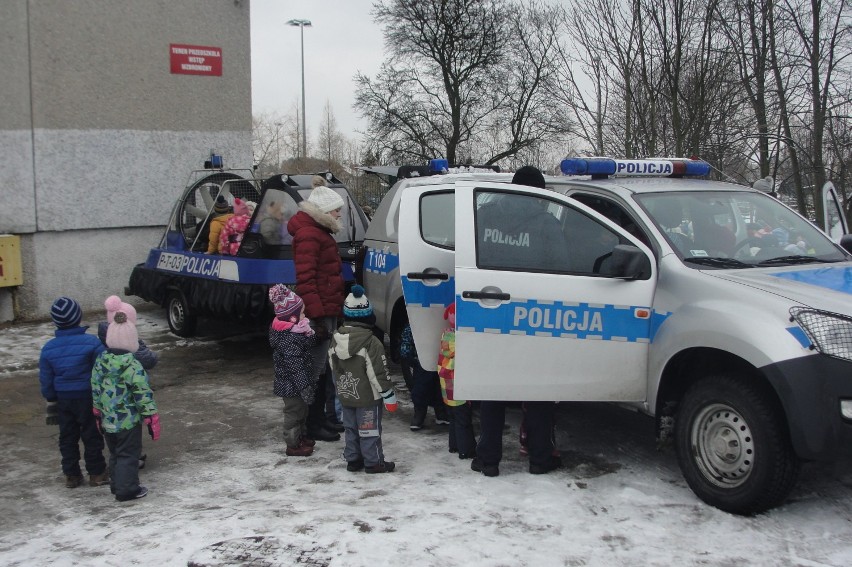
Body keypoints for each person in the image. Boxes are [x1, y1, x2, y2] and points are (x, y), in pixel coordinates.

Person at [471, 166, 562, 477]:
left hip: (490, 306)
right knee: (538, 388)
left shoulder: (484, 214)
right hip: (534, 312)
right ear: (537, 192)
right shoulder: (548, 222)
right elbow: (562, 269)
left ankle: (488, 460)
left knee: (492, 387)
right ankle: (539, 459)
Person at [287, 175, 347, 442]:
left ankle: (320, 419)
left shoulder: (318, 232)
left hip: (326, 310)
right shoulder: (310, 235)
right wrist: (318, 316)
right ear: (324, 212)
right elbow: (306, 279)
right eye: (336, 210)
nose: (339, 214)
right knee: (316, 370)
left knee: (323, 370)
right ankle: (313, 424)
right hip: (318, 314)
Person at [91, 302, 160, 502]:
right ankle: (127, 490)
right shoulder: (132, 365)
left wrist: (97, 410)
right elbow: (142, 392)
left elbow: (95, 387)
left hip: (107, 420)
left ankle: (116, 484)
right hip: (128, 420)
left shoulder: (100, 362)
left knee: (115, 453)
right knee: (129, 454)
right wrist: (151, 416)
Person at [39, 297, 109, 489]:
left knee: (67, 437)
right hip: (88, 397)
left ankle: (72, 475)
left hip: (63, 400)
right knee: (92, 435)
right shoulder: (92, 343)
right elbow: (102, 370)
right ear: (78, 317)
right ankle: (97, 473)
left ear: (56, 322)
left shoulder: (48, 348)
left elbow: (46, 379)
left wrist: (51, 398)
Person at [329, 285, 397, 473]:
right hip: (368, 399)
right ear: (369, 316)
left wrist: (339, 387)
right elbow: (378, 372)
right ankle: (373, 462)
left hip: (346, 394)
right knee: (369, 430)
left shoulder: (335, 338)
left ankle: (353, 459)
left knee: (350, 428)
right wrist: (388, 395)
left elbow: (333, 366)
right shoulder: (371, 342)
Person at [268, 284, 320, 457]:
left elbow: (306, 345)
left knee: (302, 412)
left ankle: (300, 437)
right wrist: (304, 387)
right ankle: (292, 444)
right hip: (292, 386)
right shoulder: (288, 339)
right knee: (294, 414)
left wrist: (311, 334)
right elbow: (295, 367)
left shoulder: (295, 332)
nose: (304, 316)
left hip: (298, 384)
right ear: (292, 318)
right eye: (302, 314)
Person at [437, 303, 476, 459]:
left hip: (445, 386)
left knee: (453, 417)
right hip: (457, 387)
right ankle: (466, 449)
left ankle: (454, 445)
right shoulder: (462, 341)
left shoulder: (445, 336)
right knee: (463, 420)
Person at [399, 323, 448, 431]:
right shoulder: (415, 323)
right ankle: (419, 414)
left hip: (441, 359)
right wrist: (408, 356)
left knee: (439, 387)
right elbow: (407, 341)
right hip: (422, 360)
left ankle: (441, 413)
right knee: (420, 389)